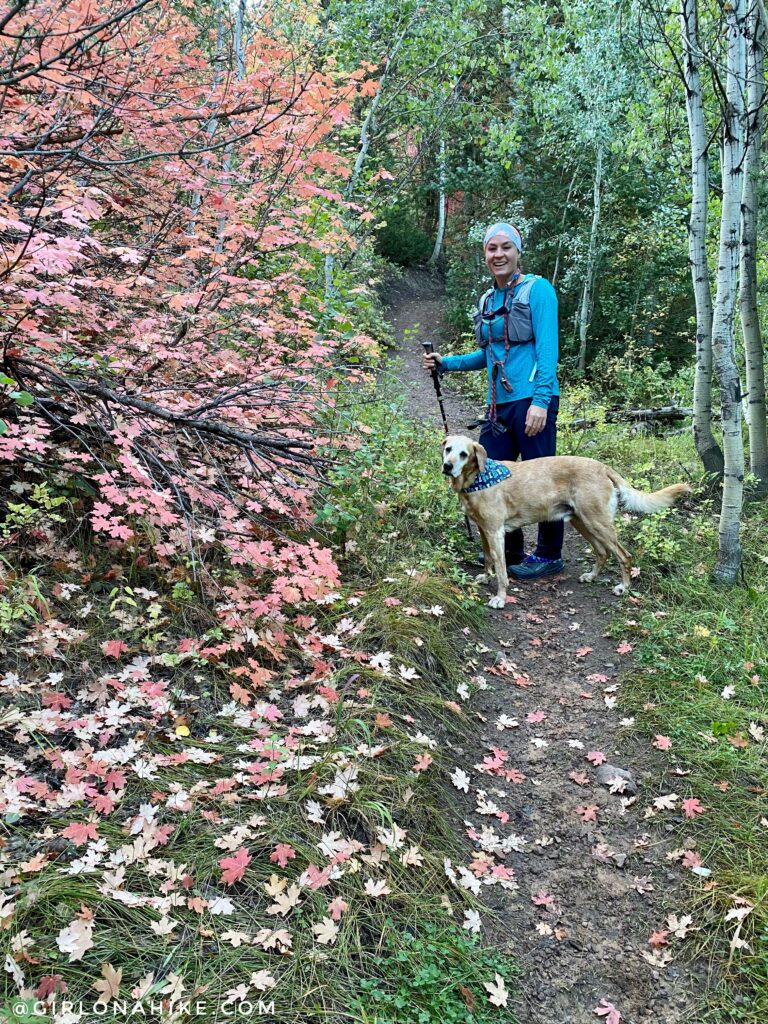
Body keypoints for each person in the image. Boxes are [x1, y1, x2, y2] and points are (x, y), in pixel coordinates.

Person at [422, 221, 564, 580]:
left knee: (543, 477)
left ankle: (549, 554)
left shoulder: (539, 291)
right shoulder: (488, 299)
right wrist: (447, 364)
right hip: (497, 406)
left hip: (532, 397)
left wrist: (541, 402)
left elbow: (548, 351)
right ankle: (509, 552)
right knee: (491, 476)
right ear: (485, 254)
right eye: (491, 249)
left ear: (518, 252)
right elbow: (486, 354)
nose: (498, 254)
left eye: (505, 247)